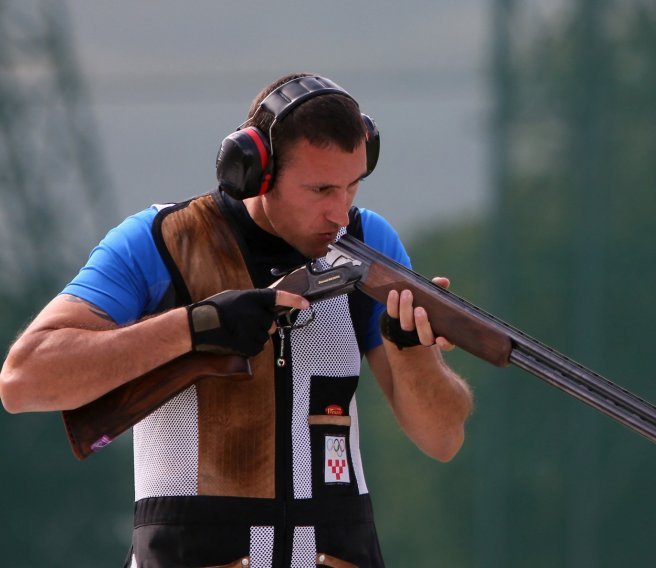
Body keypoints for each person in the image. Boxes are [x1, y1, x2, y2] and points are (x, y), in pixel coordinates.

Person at [0, 73, 473, 567]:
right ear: (256, 171)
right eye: (320, 189)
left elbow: (442, 439)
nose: (340, 212)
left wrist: (410, 348)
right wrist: (195, 326)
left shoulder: (370, 244)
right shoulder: (161, 241)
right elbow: (23, 379)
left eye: (353, 185)